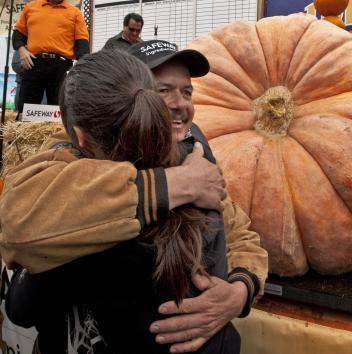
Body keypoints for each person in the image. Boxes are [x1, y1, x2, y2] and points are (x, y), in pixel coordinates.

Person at [0, 40, 268, 353]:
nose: (179, 103)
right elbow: (24, 221)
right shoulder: (75, 160)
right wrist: (173, 184)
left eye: (187, 91)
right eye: (162, 90)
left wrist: (239, 291)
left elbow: (239, 233)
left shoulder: (196, 158)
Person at [11, 0, 89, 114]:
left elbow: (82, 42)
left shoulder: (75, 12)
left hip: (60, 66)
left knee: (58, 111)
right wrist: (22, 50)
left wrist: (82, 65)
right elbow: (18, 33)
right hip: (33, 63)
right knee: (26, 109)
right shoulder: (30, 7)